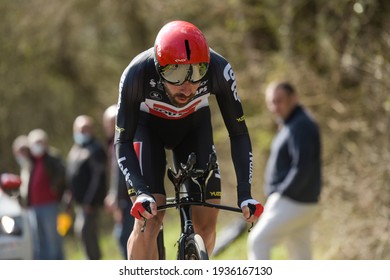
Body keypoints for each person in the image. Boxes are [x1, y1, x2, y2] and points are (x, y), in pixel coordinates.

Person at [114, 20, 263, 260]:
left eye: (197, 73)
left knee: (205, 225)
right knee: (149, 220)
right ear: (158, 66)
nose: (187, 87)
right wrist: (141, 191)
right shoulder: (136, 74)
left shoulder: (219, 69)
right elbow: (122, 141)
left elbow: (239, 133)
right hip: (147, 129)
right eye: (176, 74)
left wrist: (245, 193)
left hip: (194, 129)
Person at [247, 81, 322, 260]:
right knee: (301, 256)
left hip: (292, 201)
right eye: (271, 102)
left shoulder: (301, 125)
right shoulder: (293, 124)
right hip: (303, 202)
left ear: (293, 98)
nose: (275, 107)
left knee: (258, 241)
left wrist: (280, 194)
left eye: (279, 100)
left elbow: (303, 166)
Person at [66, 115, 108, 260]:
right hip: (79, 203)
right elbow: (72, 176)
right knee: (82, 234)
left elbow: (98, 178)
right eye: (80, 129)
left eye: (85, 129)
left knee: (87, 233)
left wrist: (90, 201)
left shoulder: (95, 149)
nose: (82, 132)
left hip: (89, 204)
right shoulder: (76, 149)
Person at [26, 129, 66, 260]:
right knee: (39, 241)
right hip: (34, 207)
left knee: (52, 238)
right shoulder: (30, 162)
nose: (37, 145)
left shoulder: (53, 158)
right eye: (34, 143)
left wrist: (54, 187)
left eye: (39, 142)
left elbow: (61, 175)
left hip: (49, 205)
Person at [103, 105, 134, 259]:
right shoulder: (111, 144)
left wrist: (116, 200)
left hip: (129, 198)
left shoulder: (122, 142)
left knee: (124, 237)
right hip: (123, 199)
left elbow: (121, 175)